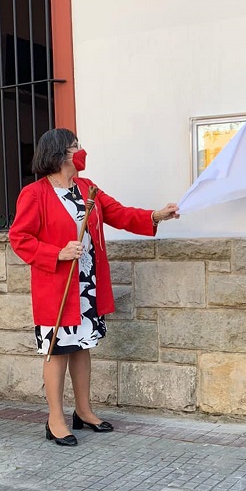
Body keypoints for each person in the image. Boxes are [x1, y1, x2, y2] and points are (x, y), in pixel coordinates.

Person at [9, 128, 179, 446]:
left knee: (81, 346)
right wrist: (56, 252)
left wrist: (156, 215)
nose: (81, 152)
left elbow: (119, 214)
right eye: (76, 147)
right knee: (57, 352)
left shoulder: (87, 188)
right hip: (56, 286)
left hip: (85, 282)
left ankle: (84, 411)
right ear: (59, 154)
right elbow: (20, 238)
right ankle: (55, 419)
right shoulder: (35, 194)